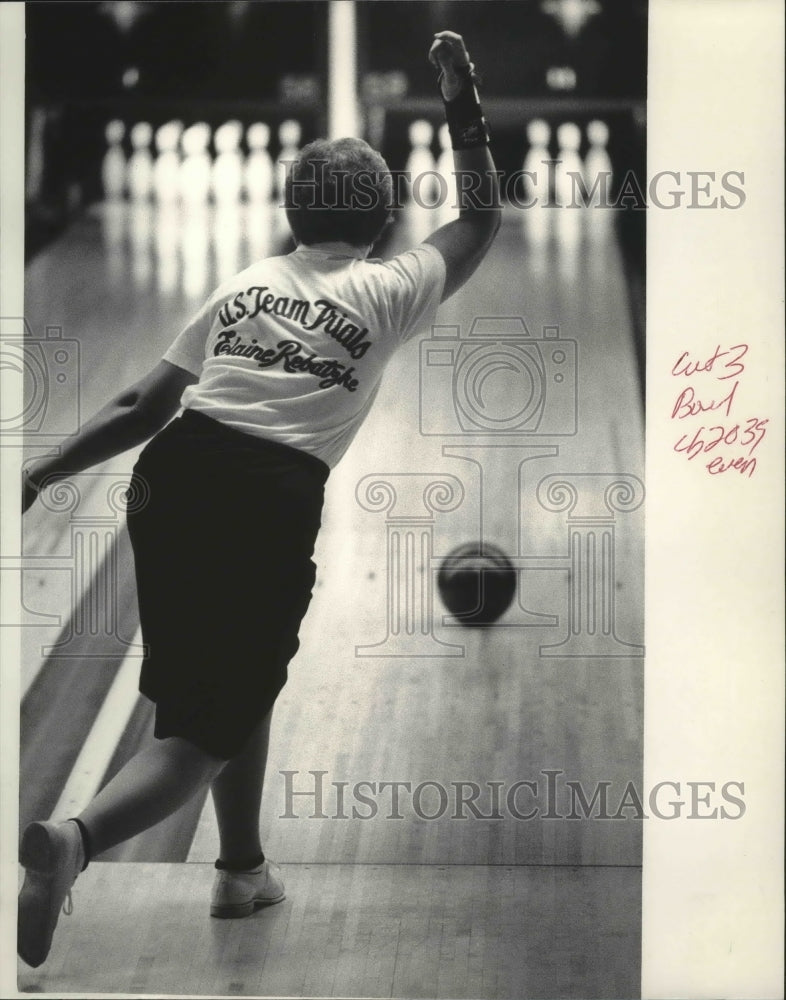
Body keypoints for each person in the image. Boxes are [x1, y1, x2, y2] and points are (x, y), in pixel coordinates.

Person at [17, 30, 500, 968]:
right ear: (386, 217)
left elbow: (140, 405)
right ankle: (73, 843)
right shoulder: (391, 286)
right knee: (200, 733)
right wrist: (460, 99)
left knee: (236, 683)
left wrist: (41, 473)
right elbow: (479, 218)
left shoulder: (246, 284)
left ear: (287, 214)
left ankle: (240, 869)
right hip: (265, 497)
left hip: (172, 475)